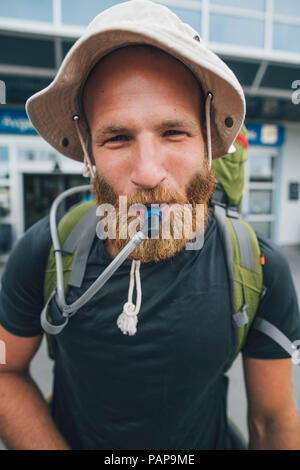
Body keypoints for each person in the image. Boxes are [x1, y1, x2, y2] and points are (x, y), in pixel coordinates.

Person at [0, 0, 300, 451]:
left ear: (207, 143)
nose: (147, 172)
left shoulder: (258, 266)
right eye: (117, 138)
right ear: (89, 152)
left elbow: (273, 423)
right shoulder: (47, 251)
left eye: (173, 132)